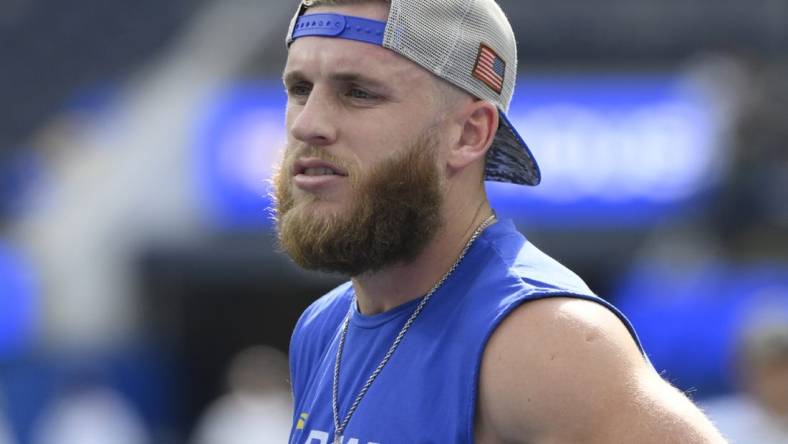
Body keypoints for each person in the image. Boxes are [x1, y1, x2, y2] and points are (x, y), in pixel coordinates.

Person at [274, 0, 726, 442]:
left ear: (469, 134)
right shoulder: (323, 328)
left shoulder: (544, 340)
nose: (308, 123)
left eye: (358, 92)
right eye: (299, 89)